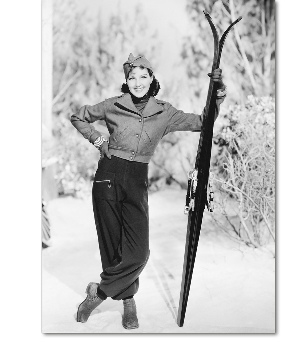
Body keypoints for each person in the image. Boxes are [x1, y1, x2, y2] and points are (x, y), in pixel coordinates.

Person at [70, 53, 227, 329]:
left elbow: (203, 122)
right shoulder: (113, 105)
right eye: (132, 77)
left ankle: (99, 293)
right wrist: (97, 140)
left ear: (152, 79)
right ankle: (128, 301)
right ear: (126, 81)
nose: (138, 82)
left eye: (144, 76)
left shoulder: (164, 112)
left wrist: (216, 94)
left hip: (136, 181)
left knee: (138, 252)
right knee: (112, 246)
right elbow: (78, 116)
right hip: (107, 177)